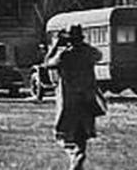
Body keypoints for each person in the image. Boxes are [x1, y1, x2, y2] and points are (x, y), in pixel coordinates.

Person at [45, 24, 104, 170]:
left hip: (69, 99)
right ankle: (77, 163)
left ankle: (74, 155)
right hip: (87, 98)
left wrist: (55, 45)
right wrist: (82, 44)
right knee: (82, 134)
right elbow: (99, 55)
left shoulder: (65, 55)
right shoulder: (89, 53)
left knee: (62, 134)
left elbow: (47, 63)